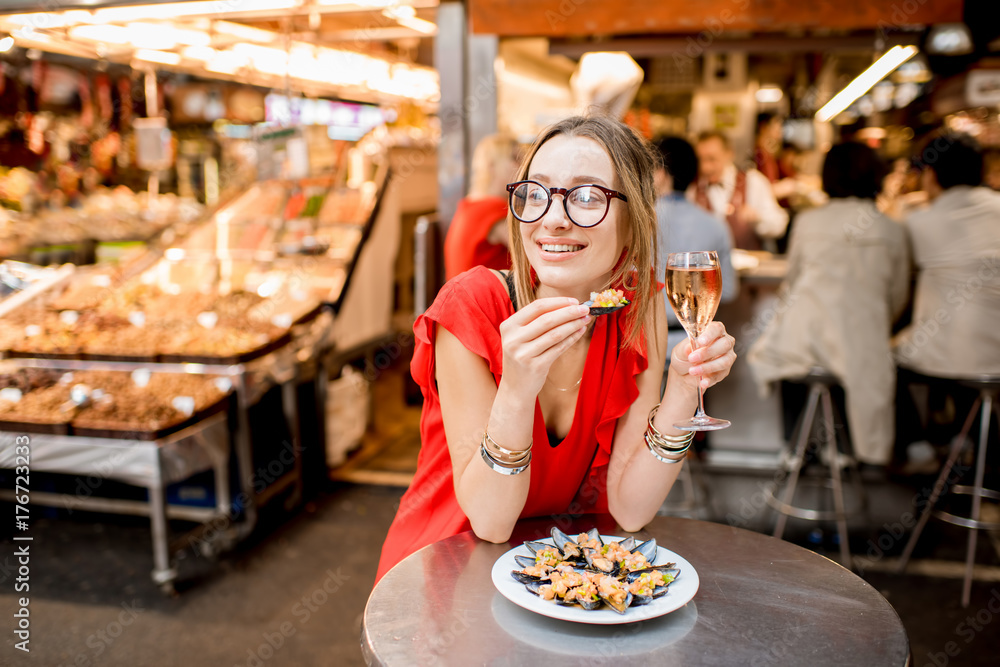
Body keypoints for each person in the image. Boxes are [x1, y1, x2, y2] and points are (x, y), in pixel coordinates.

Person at [376, 116, 737, 582]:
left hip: (547, 575)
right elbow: (489, 521)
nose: (554, 219)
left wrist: (684, 394)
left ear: (634, 220)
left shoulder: (637, 303)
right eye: (537, 193)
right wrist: (516, 388)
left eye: (587, 196)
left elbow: (630, 510)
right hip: (444, 569)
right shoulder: (473, 305)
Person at [748, 143, 910, 466]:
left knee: (792, 346)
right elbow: (898, 297)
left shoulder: (808, 222)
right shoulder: (891, 229)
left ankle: (796, 447)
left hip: (801, 343)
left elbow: (791, 284)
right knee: (853, 353)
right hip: (860, 350)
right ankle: (844, 448)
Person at [654, 136, 739, 358]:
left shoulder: (636, 223)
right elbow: (729, 291)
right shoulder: (715, 225)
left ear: (661, 174)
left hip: (643, 342)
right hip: (696, 345)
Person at [692, 131, 788, 251]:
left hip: (749, 266)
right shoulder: (693, 189)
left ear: (729, 154)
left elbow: (779, 226)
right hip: (708, 268)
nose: (705, 167)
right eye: (700, 160)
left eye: (712, 159)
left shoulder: (753, 181)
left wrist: (758, 218)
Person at [443, 134, 520, 280]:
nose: (522, 165)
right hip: (480, 299)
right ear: (492, 166)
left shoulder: (471, 204)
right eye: (515, 158)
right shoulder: (493, 209)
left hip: (461, 296)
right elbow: (531, 253)